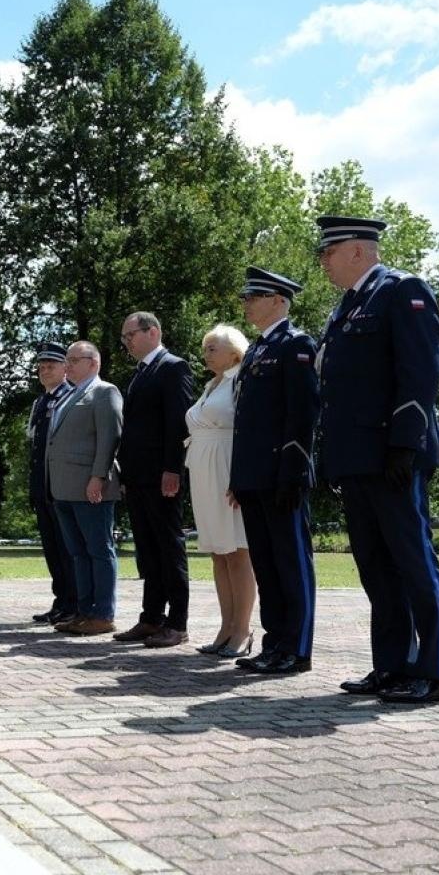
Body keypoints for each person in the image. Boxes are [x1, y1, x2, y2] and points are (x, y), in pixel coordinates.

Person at [316, 216, 439, 703]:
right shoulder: (347, 307)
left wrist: (405, 443)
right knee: (376, 567)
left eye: (328, 252)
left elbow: (420, 371)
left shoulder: (403, 290)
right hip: (356, 457)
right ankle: (392, 666)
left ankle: (434, 671)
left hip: (393, 454)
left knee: (413, 562)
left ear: (357, 250)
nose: (323, 261)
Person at [229, 268, 320, 677]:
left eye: (255, 295)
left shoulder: (295, 345)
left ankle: (296, 648)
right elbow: (246, 422)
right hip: (254, 476)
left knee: (290, 563)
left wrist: (293, 472)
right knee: (266, 565)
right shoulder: (256, 350)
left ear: (279, 301)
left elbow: (301, 416)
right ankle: (275, 643)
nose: (247, 302)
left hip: (282, 475)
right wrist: (239, 476)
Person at [113, 312, 196, 648]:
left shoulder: (173, 367)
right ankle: (151, 618)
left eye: (130, 335)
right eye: (124, 337)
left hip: (162, 475)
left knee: (168, 546)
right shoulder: (141, 372)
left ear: (153, 332)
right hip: (138, 476)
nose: (126, 342)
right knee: (148, 549)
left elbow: (177, 423)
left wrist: (172, 469)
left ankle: (177, 622)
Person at [184, 324, 256, 659]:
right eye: (206, 346)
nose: (206, 352)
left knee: (238, 550)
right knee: (218, 551)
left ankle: (242, 629)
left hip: (227, 470)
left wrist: (240, 477)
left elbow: (248, 429)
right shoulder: (211, 385)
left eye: (213, 347)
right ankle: (226, 627)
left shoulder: (241, 381)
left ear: (235, 353)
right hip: (203, 473)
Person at [45, 341, 123, 636]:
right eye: (67, 360)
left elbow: (109, 437)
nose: (68, 365)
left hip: (91, 486)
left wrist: (98, 476)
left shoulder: (104, 392)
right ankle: (84, 611)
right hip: (64, 487)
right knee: (78, 553)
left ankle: (103, 614)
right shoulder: (69, 395)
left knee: (99, 551)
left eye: (74, 360)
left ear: (94, 362)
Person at [28, 341, 77, 625]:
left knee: (68, 549)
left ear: (65, 368)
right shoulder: (41, 401)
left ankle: (73, 603)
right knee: (52, 550)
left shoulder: (70, 397)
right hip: (42, 486)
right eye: (41, 366)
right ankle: (61, 601)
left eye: (51, 366)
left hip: (61, 485)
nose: (44, 371)